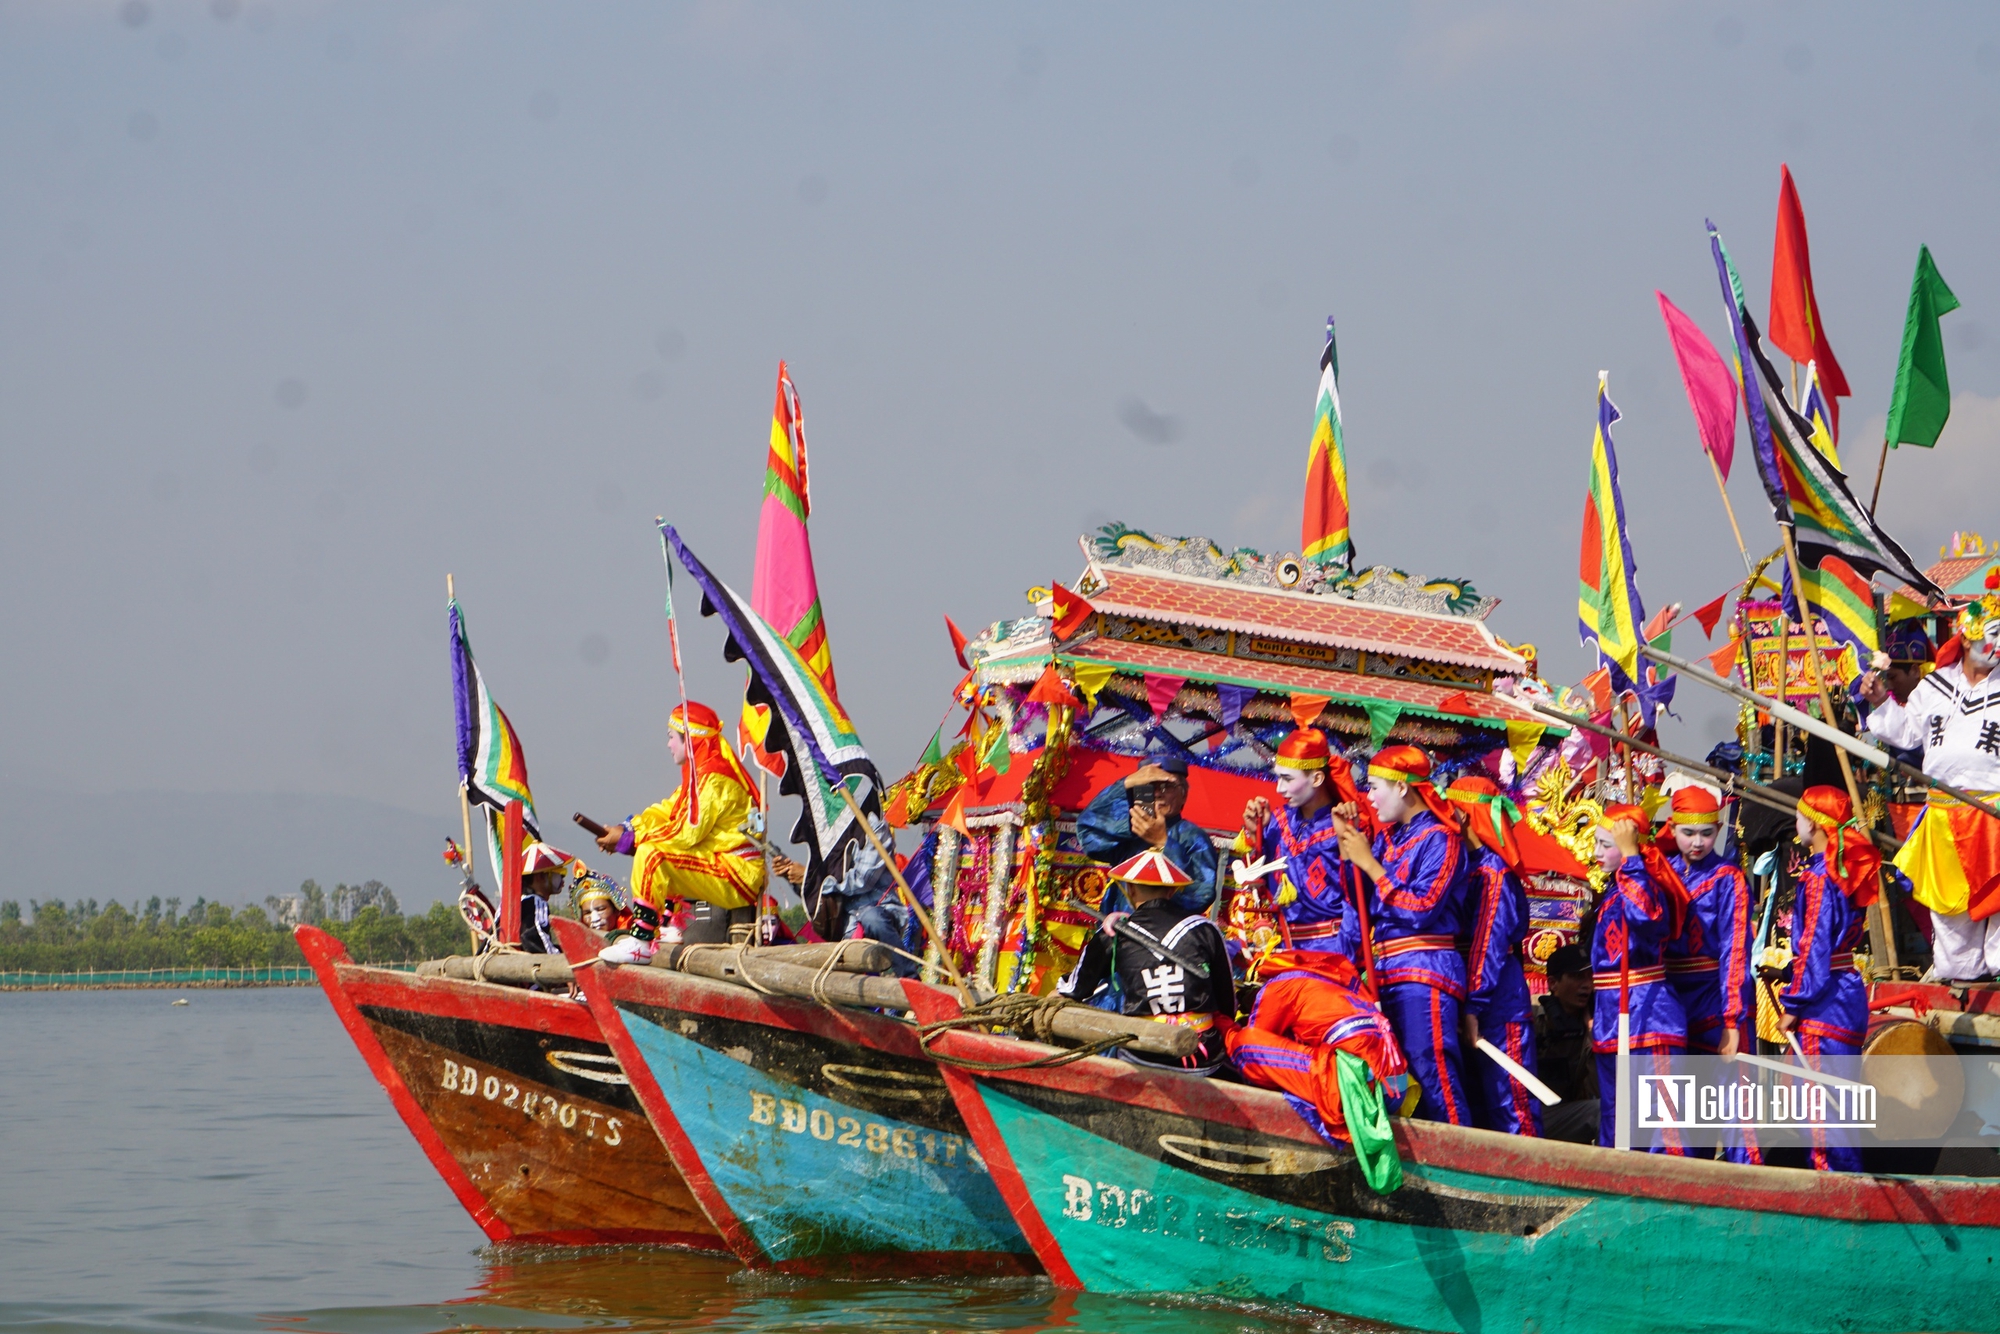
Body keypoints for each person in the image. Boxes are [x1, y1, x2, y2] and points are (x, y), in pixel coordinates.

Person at [1860, 594, 2000, 981]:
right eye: (1994, 634)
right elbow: (1906, 731)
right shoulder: (1935, 686)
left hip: (1993, 815)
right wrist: (1879, 701)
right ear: (1968, 637)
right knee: (1950, 910)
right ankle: (1963, 986)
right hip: (1943, 814)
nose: (1999, 644)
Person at [1332, 744, 1472, 1125]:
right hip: (1386, 971)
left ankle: (1458, 1159)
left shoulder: (1441, 839)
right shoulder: (1389, 838)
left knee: (1432, 1074)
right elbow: (1361, 901)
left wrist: (1373, 866)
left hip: (1423, 971)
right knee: (1396, 1078)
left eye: (1376, 787)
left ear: (1403, 788)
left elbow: (1422, 909)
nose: (1369, 797)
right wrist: (1350, 847)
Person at [593, 701, 768, 964]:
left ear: (691, 741)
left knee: (653, 854)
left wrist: (631, 840)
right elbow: (666, 812)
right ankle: (669, 925)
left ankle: (641, 941)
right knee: (655, 850)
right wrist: (626, 829)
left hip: (737, 873)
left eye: (671, 738)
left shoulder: (715, 780)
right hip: (723, 866)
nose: (668, 745)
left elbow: (685, 834)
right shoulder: (699, 779)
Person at [1225, 947, 1409, 1191]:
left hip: (1360, 1090)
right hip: (1397, 1088)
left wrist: (1227, 1029)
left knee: (1244, 1045)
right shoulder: (1334, 982)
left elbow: (1258, 1038)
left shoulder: (1277, 986)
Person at [1056, 849, 1234, 1075]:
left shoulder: (1114, 932)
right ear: (1171, 891)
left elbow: (1074, 988)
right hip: (1203, 1056)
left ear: (1130, 889)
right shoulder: (1206, 929)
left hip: (1143, 1053)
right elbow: (1227, 1003)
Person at [1780, 785, 1879, 1172]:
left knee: (1825, 1116)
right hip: (1845, 993)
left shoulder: (1820, 877)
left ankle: (1840, 1197)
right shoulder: (1842, 872)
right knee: (1841, 1109)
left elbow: (1815, 950)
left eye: (1800, 816)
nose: (1796, 824)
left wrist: (1794, 1002)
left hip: (1825, 1002)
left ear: (1816, 824)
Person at [1444, 774, 1542, 1137]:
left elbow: (1488, 944)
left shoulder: (1492, 873)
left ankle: (1533, 1188)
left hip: (1497, 1001)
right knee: (1480, 1105)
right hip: (1471, 998)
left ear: (1466, 816)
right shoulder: (1464, 866)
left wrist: (1473, 1007)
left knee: (1511, 1103)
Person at [1590, 803, 1690, 1152]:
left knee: (1664, 1126)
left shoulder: (1648, 884)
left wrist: (1633, 857)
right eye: (1597, 843)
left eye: (1606, 844)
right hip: (1612, 1016)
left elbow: (1645, 916)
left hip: (1649, 1017)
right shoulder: (1613, 891)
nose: (1596, 853)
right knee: (1617, 1122)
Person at [1238, 728, 1360, 955]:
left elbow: (1358, 893)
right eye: (1278, 777)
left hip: (1330, 947)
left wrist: (1346, 950)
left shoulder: (1343, 822)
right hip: (1281, 946)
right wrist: (1258, 837)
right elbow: (1260, 888)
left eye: (1287, 779)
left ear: (1316, 778)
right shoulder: (1277, 820)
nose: (1279, 788)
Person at [1076, 751, 1217, 916]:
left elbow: (1201, 895)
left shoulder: (1193, 837)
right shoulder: (1130, 830)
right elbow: (1088, 832)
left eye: (1167, 786)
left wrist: (1163, 842)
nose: (1157, 793)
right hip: (1120, 931)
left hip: (1163, 936)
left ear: (1183, 795)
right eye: (1150, 786)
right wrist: (1127, 783)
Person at [1533, 944, 1600, 1144]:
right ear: (1553, 983)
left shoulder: (1598, 1021)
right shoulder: (1534, 1019)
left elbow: (1600, 1088)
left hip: (1574, 1112)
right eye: (1578, 977)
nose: (1587, 985)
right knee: (1602, 1112)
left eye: (1590, 976)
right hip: (1538, 1115)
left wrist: (1594, 1036)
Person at [517, 842, 573, 955]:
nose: (563, 879)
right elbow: (535, 940)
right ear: (541, 877)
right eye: (560, 873)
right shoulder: (536, 902)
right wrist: (562, 958)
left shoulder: (513, 901)